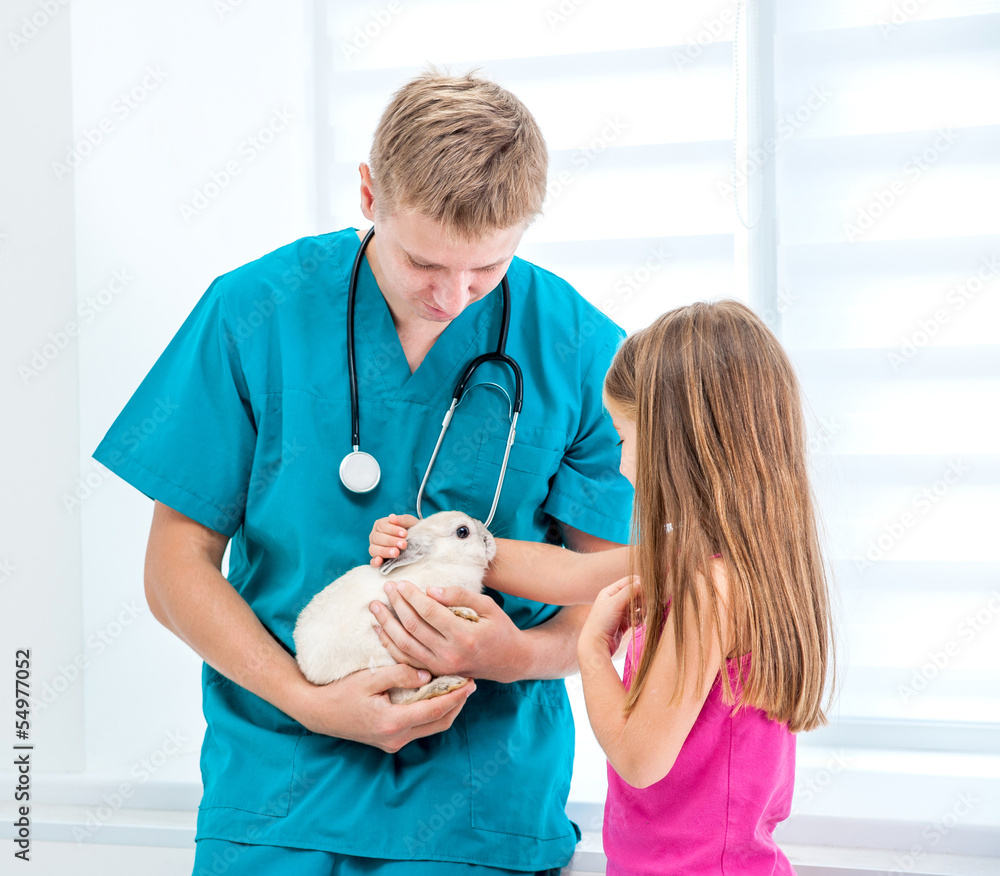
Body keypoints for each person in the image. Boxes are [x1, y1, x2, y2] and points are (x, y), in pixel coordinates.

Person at [93, 70, 633, 874]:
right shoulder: (254, 312)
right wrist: (309, 700)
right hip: (279, 784)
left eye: (488, 269)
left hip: (482, 805)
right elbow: (174, 568)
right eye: (424, 263)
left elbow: (612, 593)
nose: (455, 297)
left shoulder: (583, 349)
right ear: (369, 192)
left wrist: (509, 657)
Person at [372, 300, 835, 875]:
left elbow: (639, 758)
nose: (622, 466)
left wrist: (592, 653)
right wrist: (442, 541)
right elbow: (570, 574)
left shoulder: (709, 590)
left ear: (677, 443)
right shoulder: (723, 565)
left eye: (625, 438)